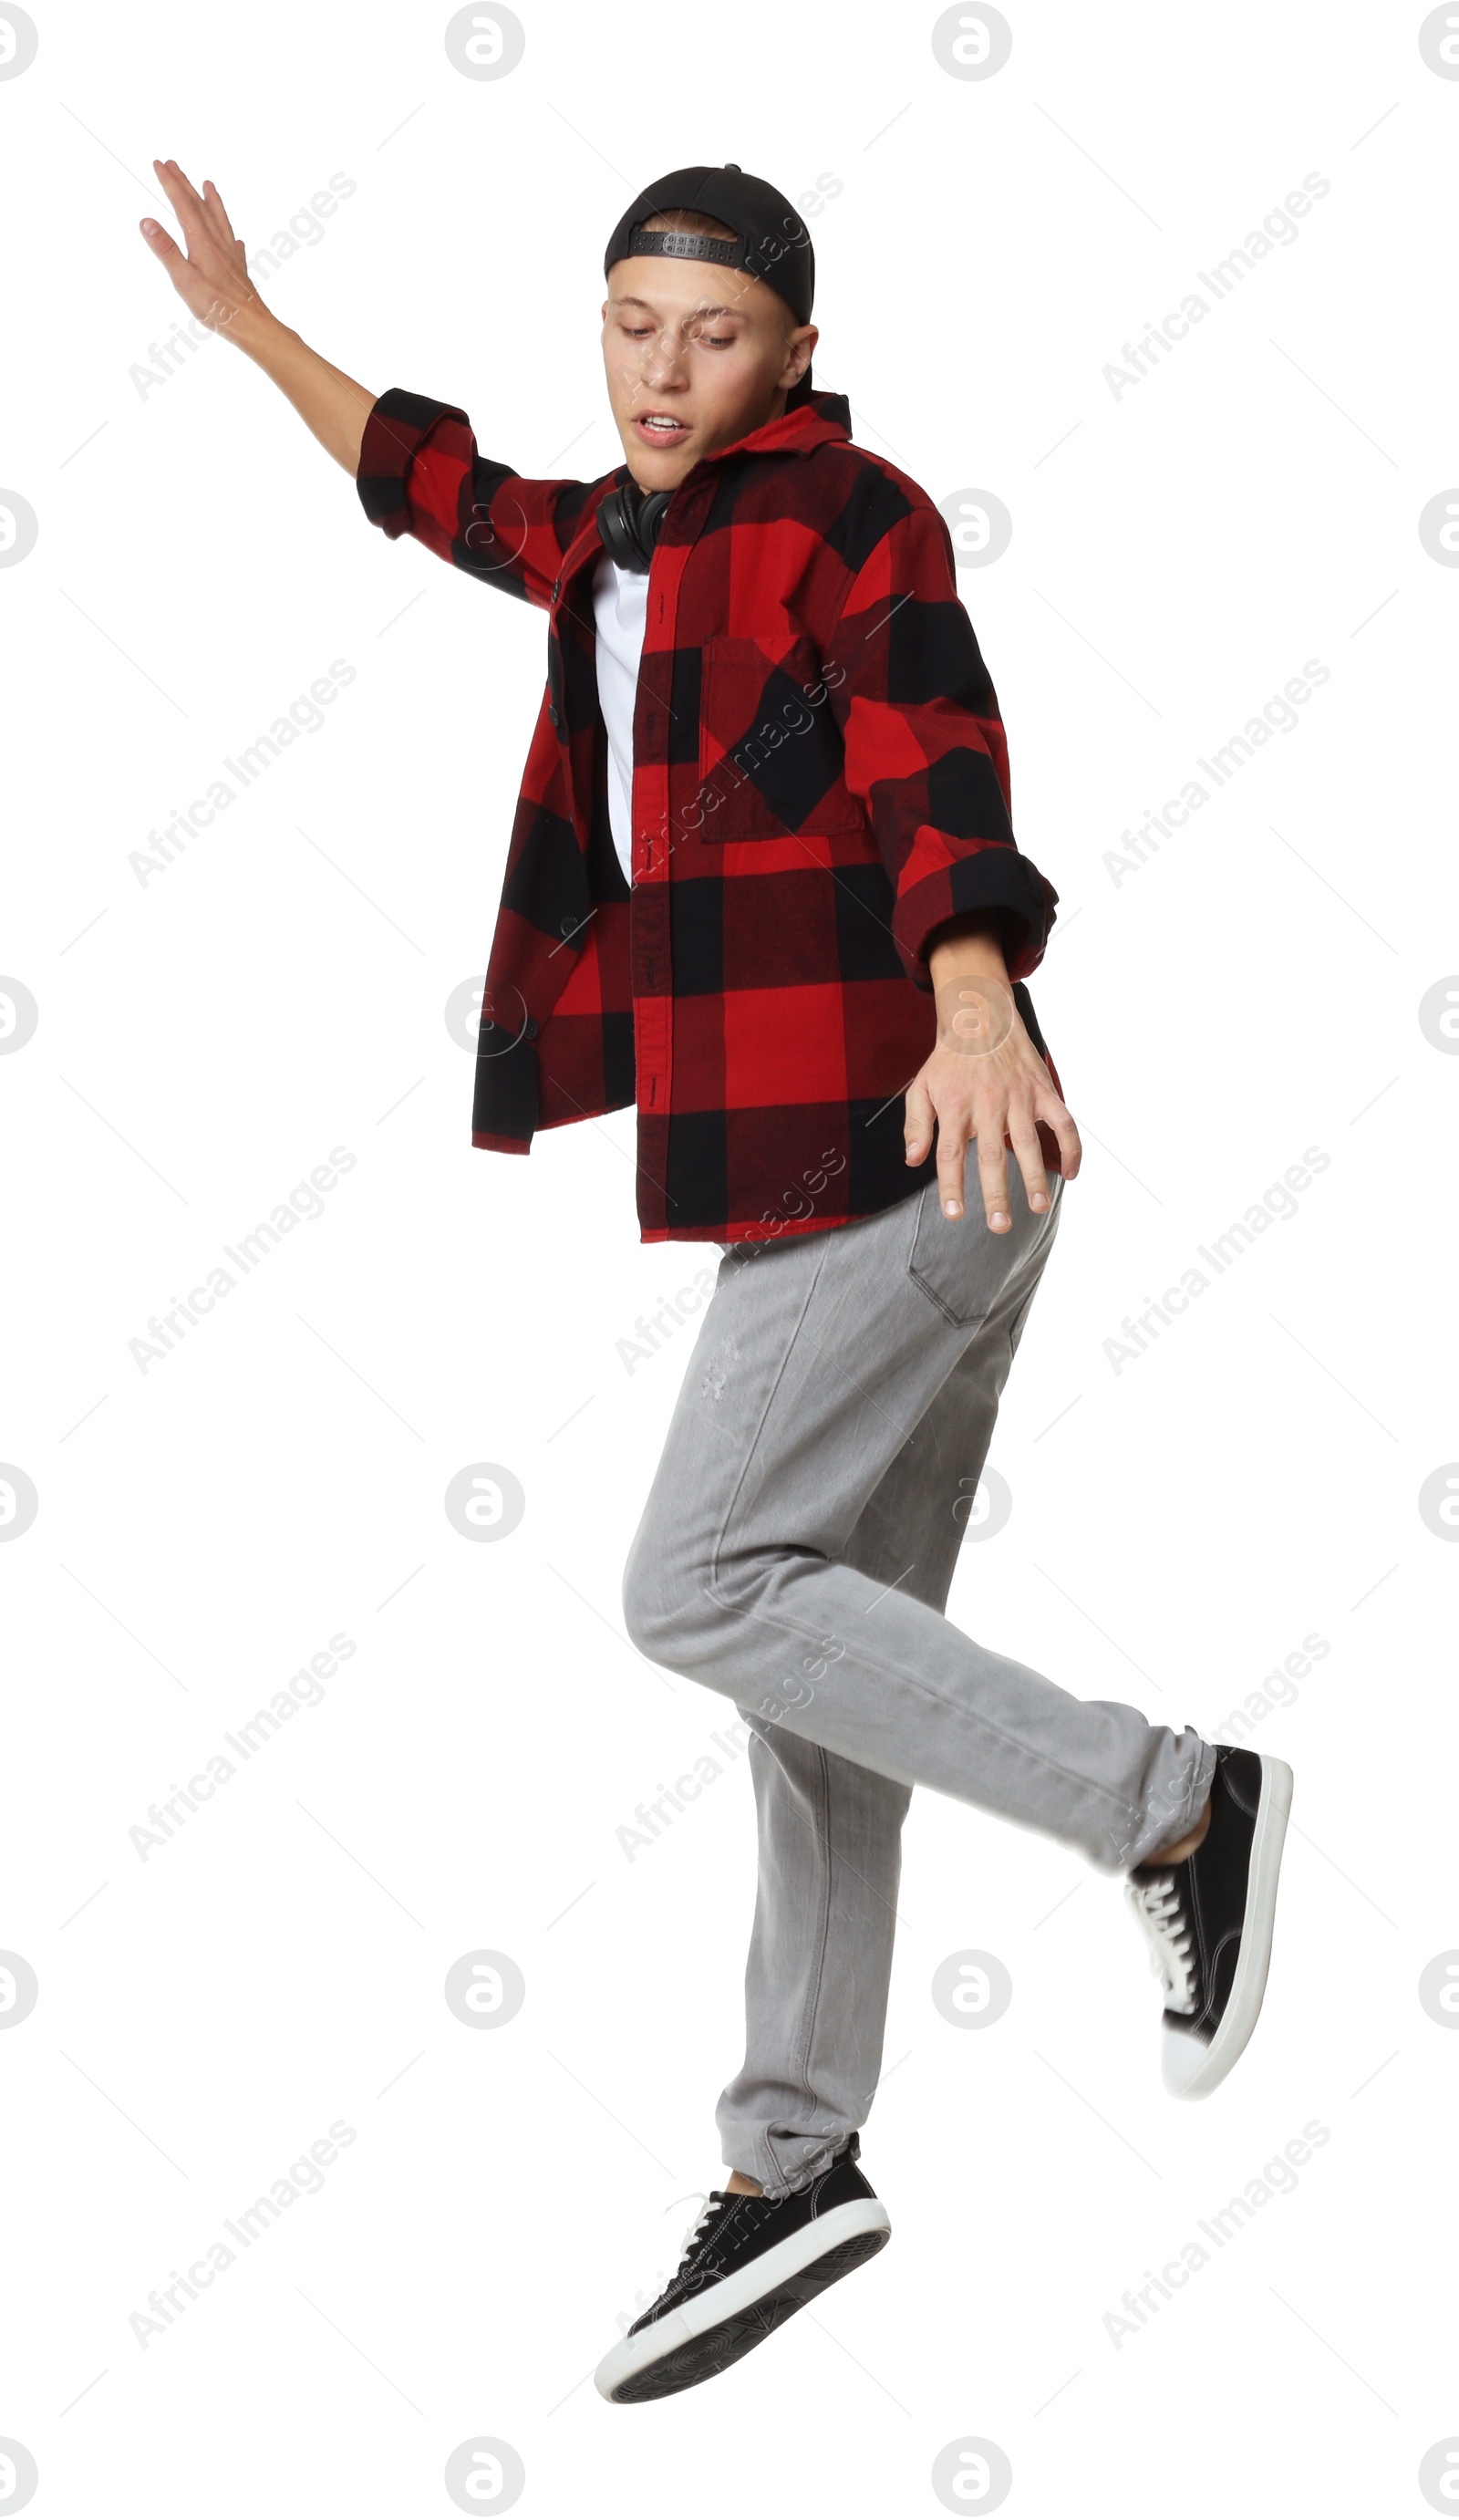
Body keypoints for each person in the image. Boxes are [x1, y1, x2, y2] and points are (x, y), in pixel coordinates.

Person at [140, 155, 1294, 2408]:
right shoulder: (617, 540)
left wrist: (971, 987)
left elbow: (925, 740)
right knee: (820, 1675)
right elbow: (439, 487)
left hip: (912, 1138)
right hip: (828, 1168)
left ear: (789, 348)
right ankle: (797, 2163)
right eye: (629, 328)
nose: (661, 373)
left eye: (710, 337)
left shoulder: (840, 515)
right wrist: (254, 330)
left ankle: (1168, 1798)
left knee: (695, 1578)